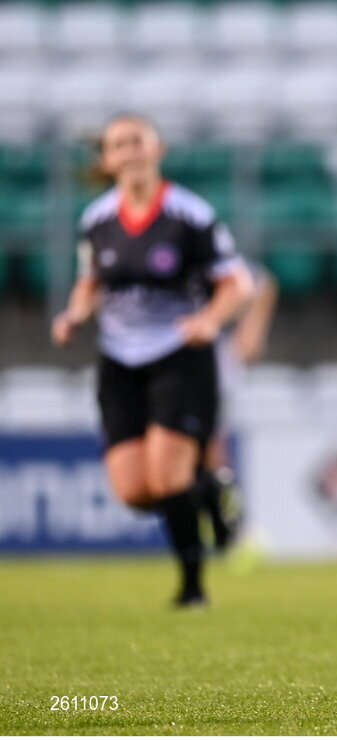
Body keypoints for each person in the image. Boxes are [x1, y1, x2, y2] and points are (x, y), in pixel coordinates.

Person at [52, 113, 252, 607]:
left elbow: (237, 282)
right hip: (119, 360)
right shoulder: (96, 219)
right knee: (135, 492)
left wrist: (209, 319)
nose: (129, 151)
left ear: (157, 148)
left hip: (179, 354)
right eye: (119, 144)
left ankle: (192, 589)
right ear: (108, 158)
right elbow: (90, 280)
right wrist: (75, 314)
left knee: (167, 477)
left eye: (137, 141)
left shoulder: (190, 214)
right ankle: (211, 491)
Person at [199, 260, 278, 552]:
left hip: (209, 369)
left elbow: (262, 282)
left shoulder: (219, 352)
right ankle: (225, 522)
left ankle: (228, 524)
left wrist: (252, 324)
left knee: (211, 447)